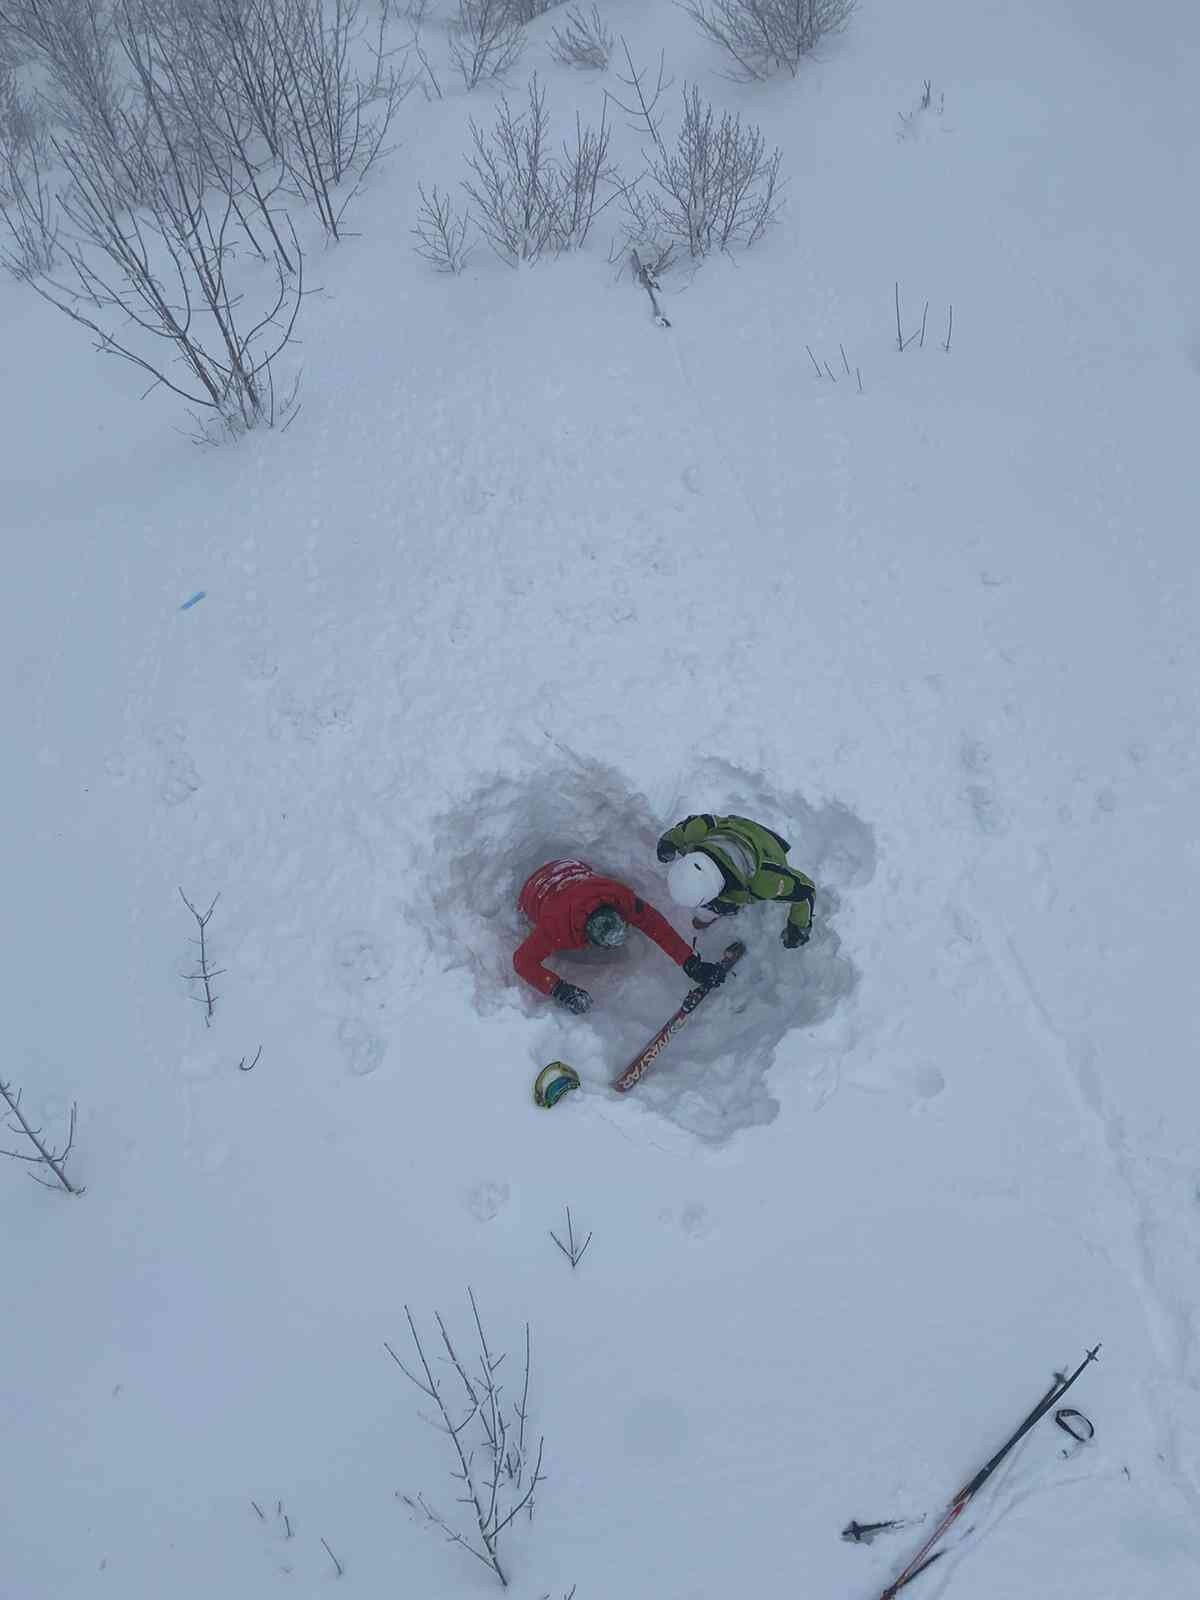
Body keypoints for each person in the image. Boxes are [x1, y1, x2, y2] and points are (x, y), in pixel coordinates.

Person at [513, 858, 727, 1013]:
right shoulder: (556, 927)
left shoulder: (621, 898)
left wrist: (690, 962)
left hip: (570, 867)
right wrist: (561, 990)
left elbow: (657, 926)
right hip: (534, 891)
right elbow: (522, 961)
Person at [656, 813, 815, 947]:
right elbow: (703, 821)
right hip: (733, 830)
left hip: (768, 847)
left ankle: (723, 908)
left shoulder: (766, 882)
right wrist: (669, 841)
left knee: (727, 902)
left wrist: (799, 928)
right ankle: (715, 907)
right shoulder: (695, 834)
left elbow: (806, 891)